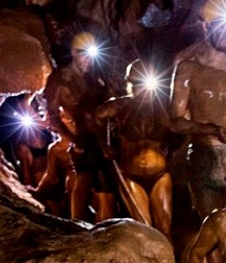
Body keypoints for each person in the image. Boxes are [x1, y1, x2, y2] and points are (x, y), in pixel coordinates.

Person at [170, 0, 226, 220]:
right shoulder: (187, 67)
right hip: (203, 154)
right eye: (221, 26)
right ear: (206, 26)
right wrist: (208, 128)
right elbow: (176, 120)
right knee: (212, 226)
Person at [95, 59, 174, 239]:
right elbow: (97, 116)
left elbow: (181, 125)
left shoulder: (162, 108)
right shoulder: (120, 106)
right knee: (145, 230)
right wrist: (105, 144)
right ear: (131, 85)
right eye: (139, 85)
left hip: (160, 175)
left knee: (165, 229)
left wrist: (173, 147)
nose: (144, 90)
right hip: (131, 176)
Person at [44, 31, 115, 223]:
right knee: (84, 180)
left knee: (104, 188)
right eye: (84, 55)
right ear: (74, 53)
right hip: (81, 139)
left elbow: (105, 108)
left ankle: (100, 229)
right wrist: (72, 139)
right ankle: (77, 224)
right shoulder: (60, 79)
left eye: (91, 56)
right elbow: (52, 115)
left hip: (100, 139)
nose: (88, 61)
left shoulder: (95, 79)